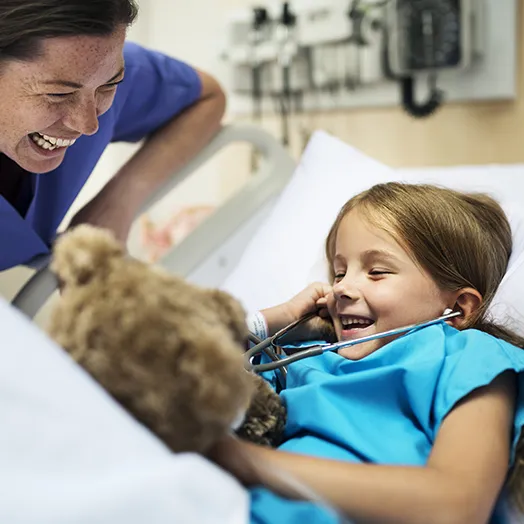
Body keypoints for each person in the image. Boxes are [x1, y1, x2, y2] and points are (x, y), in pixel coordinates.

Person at [209, 182, 524, 524]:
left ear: (459, 307)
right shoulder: (299, 356)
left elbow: (456, 506)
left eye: (377, 272)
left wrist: (246, 461)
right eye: (340, 271)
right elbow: (177, 374)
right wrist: (267, 323)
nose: (342, 287)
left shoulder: (470, 357)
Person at [0, 0, 226, 271]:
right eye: (58, 94)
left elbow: (207, 99)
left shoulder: (91, 68)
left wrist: (120, 201)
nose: (88, 124)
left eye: (110, 85)